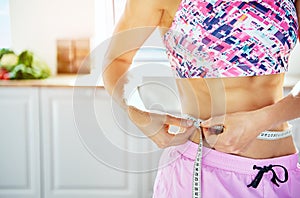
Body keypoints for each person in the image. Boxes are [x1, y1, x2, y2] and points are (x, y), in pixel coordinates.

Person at [102, 0, 300, 197]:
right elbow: (116, 61)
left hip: (285, 173)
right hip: (206, 172)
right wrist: (136, 111)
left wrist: (262, 119)